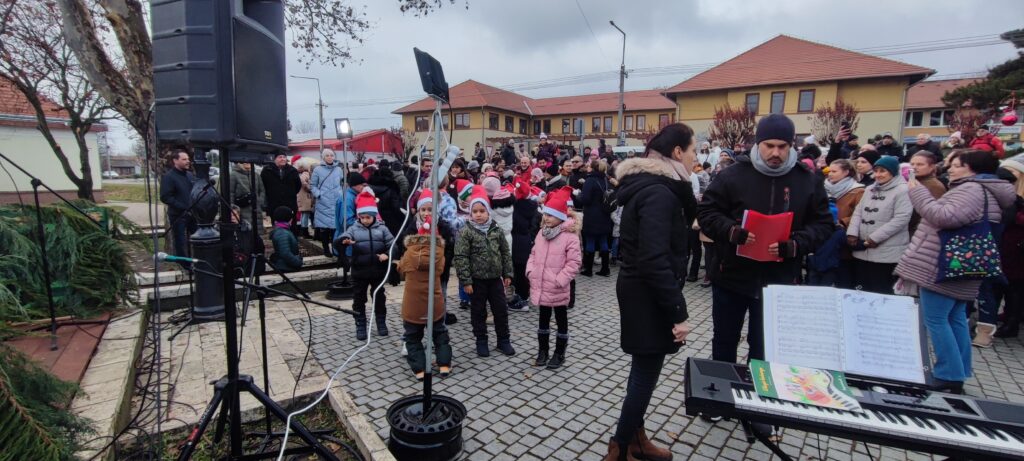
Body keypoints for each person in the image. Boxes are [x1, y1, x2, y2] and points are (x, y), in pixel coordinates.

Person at [697, 114, 833, 366]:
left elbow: (823, 224)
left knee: (765, 346)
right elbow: (707, 213)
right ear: (758, 143)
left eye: (782, 146)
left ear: (792, 145)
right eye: (769, 145)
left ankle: (758, 387)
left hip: (779, 280)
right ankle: (724, 387)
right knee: (724, 341)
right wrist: (731, 231)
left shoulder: (807, 180)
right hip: (731, 275)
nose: (775, 153)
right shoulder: (732, 175)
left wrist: (795, 244)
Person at [605, 123, 696, 461]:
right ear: (677, 152)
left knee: (643, 369)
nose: (695, 158)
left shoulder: (655, 187)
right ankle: (620, 447)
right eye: (693, 151)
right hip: (647, 293)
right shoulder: (660, 193)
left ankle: (636, 438)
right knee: (645, 373)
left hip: (642, 289)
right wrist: (679, 312)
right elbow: (654, 258)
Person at [895, 150, 1016, 393]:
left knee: (936, 319)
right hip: (962, 264)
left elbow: (944, 217)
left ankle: (948, 374)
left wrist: (918, 192)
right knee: (955, 317)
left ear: (972, 169)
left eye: (957, 165)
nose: (950, 169)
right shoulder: (984, 190)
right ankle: (958, 371)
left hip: (945, 264)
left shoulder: (971, 189)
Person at [454, 186, 516, 357]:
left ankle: (503, 340)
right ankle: (481, 340)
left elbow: (505, 252)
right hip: (477, 280)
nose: (479, 214)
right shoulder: (466, 232)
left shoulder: (496, 230)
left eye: (482, 211)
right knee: (478, 312)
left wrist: (508, 273)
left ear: (488, 212)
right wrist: (466, 280)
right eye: (475, 211)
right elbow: (461, 257)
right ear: (470, 213)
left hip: (495, 279)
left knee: (500, 310)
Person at [526, 186, 582, 370]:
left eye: (551, 215)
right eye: (545, 214)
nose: (546, 218)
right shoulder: (541, 233)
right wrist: (530, 271)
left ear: (561, 216)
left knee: (561, 319)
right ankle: (543, 351)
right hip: (541, 285)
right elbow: (533, 254)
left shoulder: (570, 237)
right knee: (543, 319)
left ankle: (559, 352)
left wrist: (560, 280)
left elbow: (574, 263)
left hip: (557, 287)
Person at [846, 155, 913, 294]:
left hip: (887, 252)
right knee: (862, 290)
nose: (878, 174)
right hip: (863, 249)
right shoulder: (870, 189)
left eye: (883, 171)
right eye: (876, 171)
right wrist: (852, 232)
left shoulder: (903, 190)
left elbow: (901, 218)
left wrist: (875, 238)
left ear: (893, 172)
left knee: (881, 291)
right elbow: (858, 211)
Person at [398, 214, 453, 380]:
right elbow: (441, 270)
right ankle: (444, 365)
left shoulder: (409, 253)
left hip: (413, 304)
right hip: (434, 302)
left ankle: (419, 369)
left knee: (412, 337)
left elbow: (402, 270)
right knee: (440, 334)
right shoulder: (439, 254)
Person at [335, 191, 396, 340]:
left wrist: (387, 254)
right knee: (359, 299)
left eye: (368, 217)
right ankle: (360, 323)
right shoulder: (354, 228)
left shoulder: (382, 229)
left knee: (379, 298)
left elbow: (393, 245)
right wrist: (345, 240)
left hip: (378, 271)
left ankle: (381, 322)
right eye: (362, 217)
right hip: (360, 271)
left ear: (374, 215)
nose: (365, 220)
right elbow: (345, 236)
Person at [994, 155, 1024, 339]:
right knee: (1003, 284)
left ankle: (1012, 323)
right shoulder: (1007, 194)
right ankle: (1005, 315)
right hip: (1004, 243)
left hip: (1018, 246)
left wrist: (1016, 213)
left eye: (1012, 171)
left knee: (1015, 287)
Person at [576, 159, 614, 277]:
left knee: (590, 240)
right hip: (605, 214)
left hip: (592, 215)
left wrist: (578, 195)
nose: (587, 167)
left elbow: (585, 199)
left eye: (589, 166)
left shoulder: (590, 180)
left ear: (592, 168)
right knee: (603, 240)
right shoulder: (606, 180)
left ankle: (588, 269)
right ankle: (605, 269)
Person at [160, 148, 196, 264]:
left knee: (198, 238)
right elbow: (165, 197)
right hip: (178, 215)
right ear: (175, 161)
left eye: (188, 159)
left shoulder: (190, 175)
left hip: (193, 214)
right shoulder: (169, 177)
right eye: (184, 159)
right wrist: (182, 206)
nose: (188, 161)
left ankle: (198, 262)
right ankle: (184, 265)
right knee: (180, 241)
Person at [310, 149, 343, 256]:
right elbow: (312, 185)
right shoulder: (317, 170)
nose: (329, 157)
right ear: (323, 157)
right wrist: (319, 194)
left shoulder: (339, 169)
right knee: (324, 228)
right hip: (323, 202)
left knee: (335, 227)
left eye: (331, 155)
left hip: (336, 201)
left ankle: (334, 248)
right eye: (327, 155)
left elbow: (341, 183)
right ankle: (325, 249)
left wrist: (341, 194)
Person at [908, 151, 947, 235]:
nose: (914, 167)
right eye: (912, 164)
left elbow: (934, 214)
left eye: (920, 164)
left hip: (919, 232)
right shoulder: (912, 181)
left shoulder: (934, 186)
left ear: (932, 167)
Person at [261, 152, 302, 228]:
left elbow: (298, 185)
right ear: (275, 159)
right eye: (280, 157)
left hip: (290, 203)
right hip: (274, 203)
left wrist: (290, 194)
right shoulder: (267, 170)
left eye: (284, 157)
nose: (283, 159)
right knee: (277, 225)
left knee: (291, 225)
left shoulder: (292, 170)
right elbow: (263, 186)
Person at [228, 161, 265, 231]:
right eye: (243, 161)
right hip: (242, 209)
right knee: (245, 231)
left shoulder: (256, 175)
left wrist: (259, 202)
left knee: (257, 231)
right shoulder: (233, 175)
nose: (246, 162)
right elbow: (230, 193)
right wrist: (232, 208)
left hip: (256, 209)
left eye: (248, 161)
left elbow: (262, 190)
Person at [269, 206, 303, 272]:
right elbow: (285, 253)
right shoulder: (282, 233)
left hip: (285, 265)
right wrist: (298, 262)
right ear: (288, 218)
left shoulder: (283, 230)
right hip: (285, 267)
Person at [295, 158, 315, 238]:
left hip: (302, 196)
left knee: (304, 214)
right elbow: (304, 183)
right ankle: (305, 232)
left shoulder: (300, 175)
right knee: (305, 214)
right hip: (306, 197)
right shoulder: (305, 174)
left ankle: (304, 231)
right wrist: (311, 188)